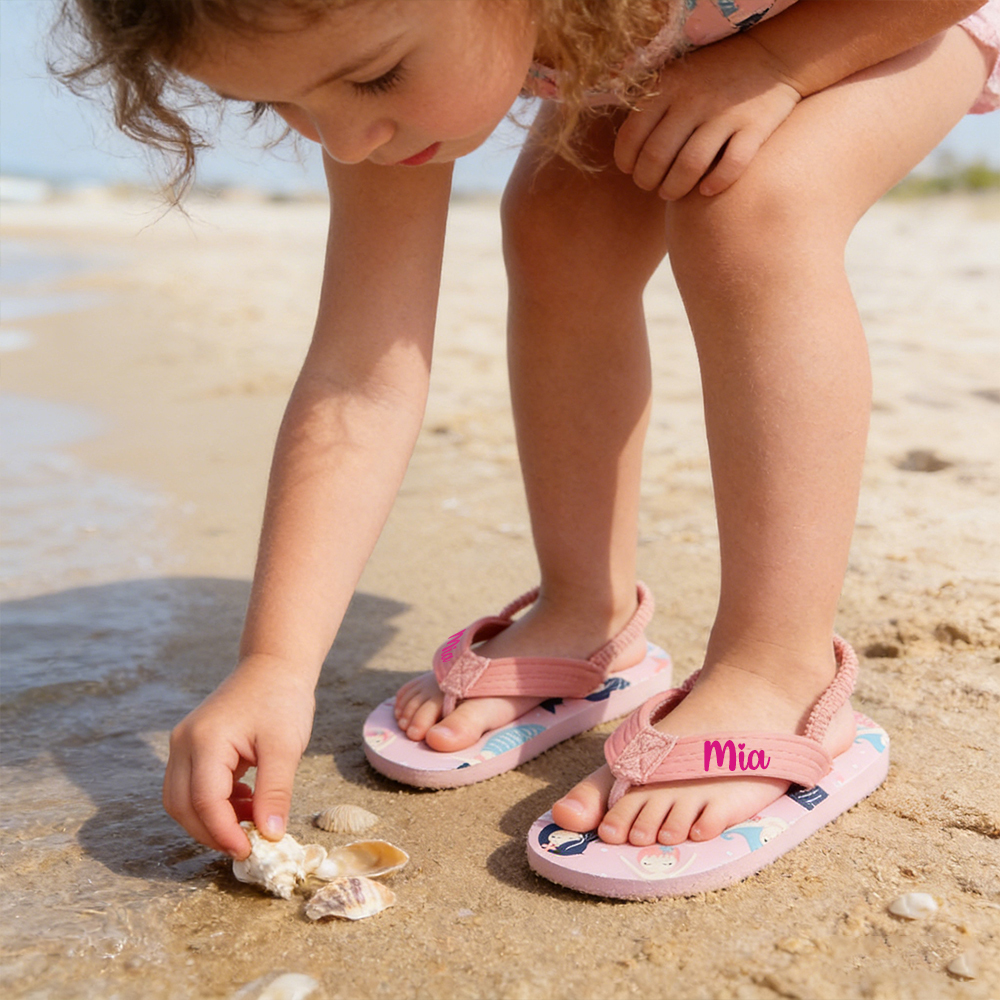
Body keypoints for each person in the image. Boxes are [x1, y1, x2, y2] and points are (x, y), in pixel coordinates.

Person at [55, 0, 998, 881]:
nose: (342, 137)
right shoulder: (366, 42)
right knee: (557, 227)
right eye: (274, 102)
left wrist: (777, 63)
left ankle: (777, 667)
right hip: (645, 39)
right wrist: (274, 665)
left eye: (377, 79)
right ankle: (585, 607)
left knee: (751, 210)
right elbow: (359, 372)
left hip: (875, 19)